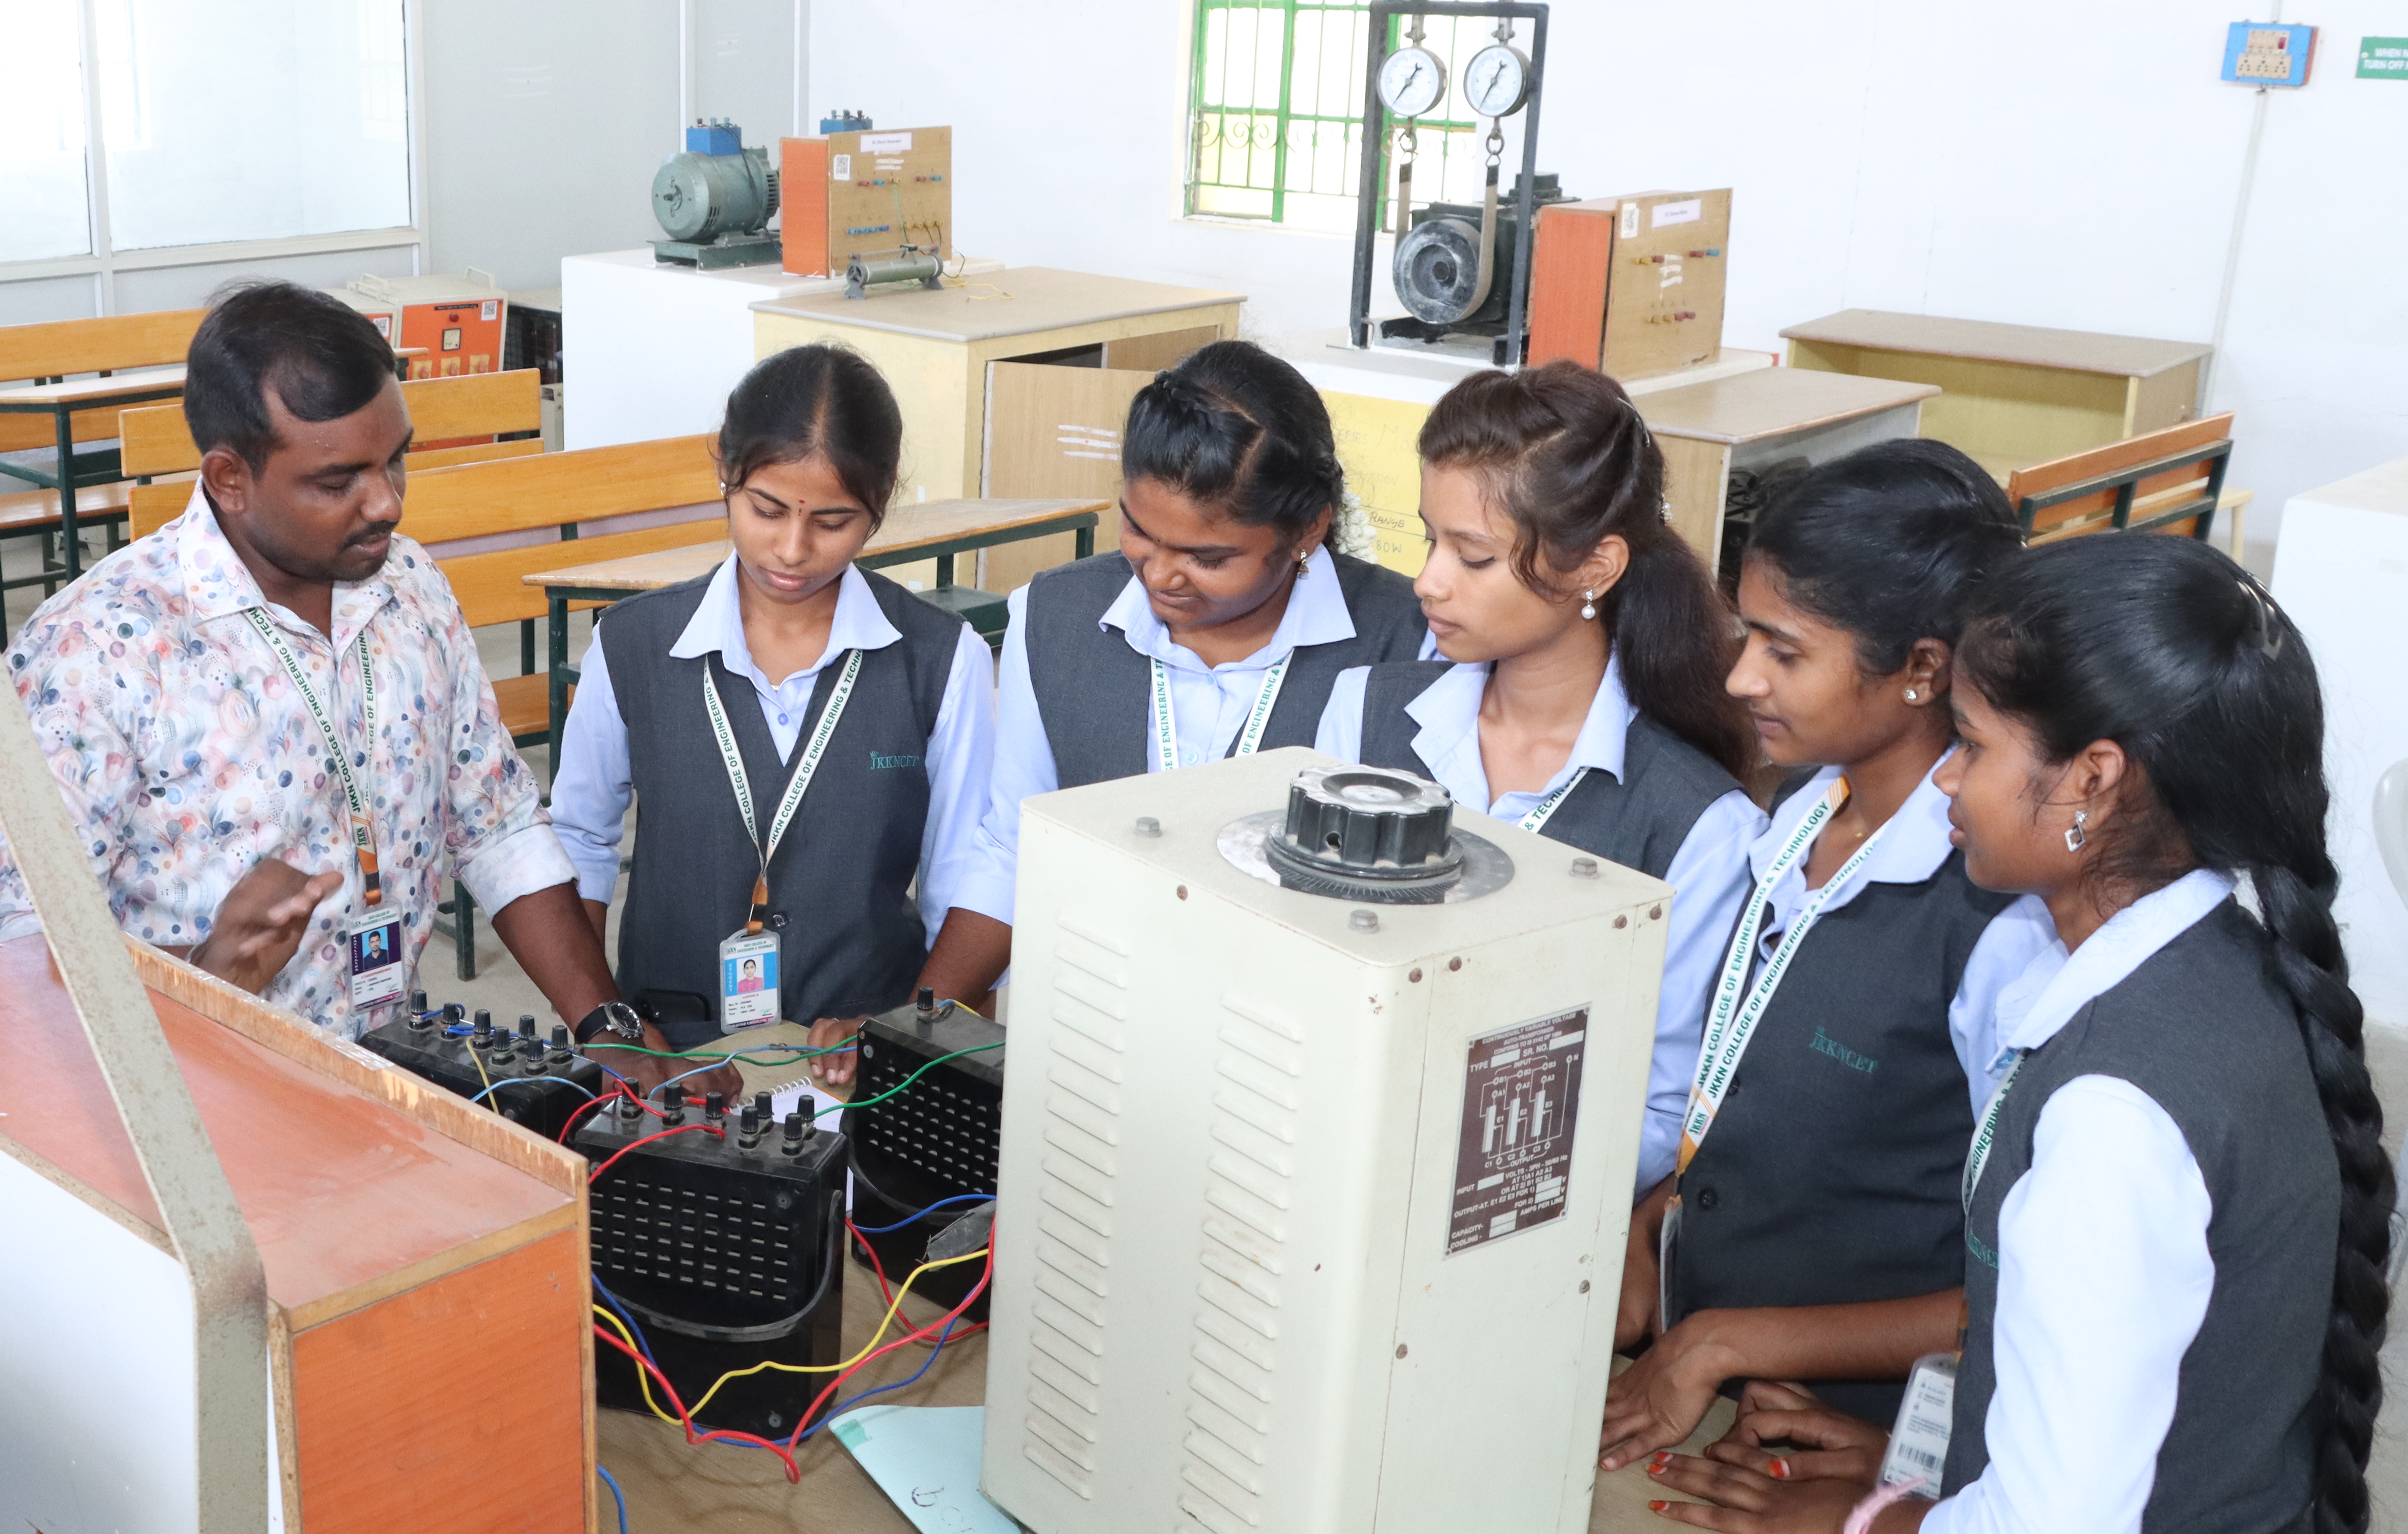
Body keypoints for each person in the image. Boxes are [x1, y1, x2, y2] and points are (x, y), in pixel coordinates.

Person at [1638, 534, 2408, 1534]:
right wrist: (1938, 1465)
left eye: (1980, 747)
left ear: (2097, 780)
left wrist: (1875, 1526)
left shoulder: (2114, 1111)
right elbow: (2181, 1417)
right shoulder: (2229, 988)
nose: (1945, 778)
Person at [0, 280, 643, 1057]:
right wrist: (210, 980)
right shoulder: (96, 652)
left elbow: (497, 825)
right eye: (338, 481)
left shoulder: (409, 586)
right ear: (230, 480)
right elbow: (17, 961)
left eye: (396, 462)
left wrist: (607, 1025)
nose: (386, 503)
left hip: (386, 1060)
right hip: (194, 1095)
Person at [1597, 443, 2048, 1464]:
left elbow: (2029, 1282)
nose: (1741, 674)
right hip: (1706, 1368)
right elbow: (1749, 1098)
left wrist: (1728, 1341)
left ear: (1924, 670)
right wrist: (1648, 1226)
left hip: (1861, 1432)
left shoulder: (1996, 922)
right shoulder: (1803, 809)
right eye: (1746, 631)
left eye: (1784, 650)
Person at [919, 340, 1427, 1004]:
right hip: (1093, 1007)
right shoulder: (1055, 616)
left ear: (1306, 529)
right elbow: (1015, 845)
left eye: (1207, 557)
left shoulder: (1408, 644)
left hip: (1289, 1026)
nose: (1159, 575)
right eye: (1138, 530)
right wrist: (916, 1027)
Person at [549, 346, 994, 1089]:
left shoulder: (943, 660)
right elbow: (580, 839)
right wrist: (610, 1028)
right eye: (766, 509)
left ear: (882, 499)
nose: (793, 549)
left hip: (860, 1058)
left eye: (833, 520)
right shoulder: (631, 644)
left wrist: (914, 1023)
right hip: (671, 1047)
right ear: (723, 467)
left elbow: (967, 880)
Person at [1360, 363, 1761, 1186]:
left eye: (1473, 557)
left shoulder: (1699, 823)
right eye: (1429, 539)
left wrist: (1470, 1177)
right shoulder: (1364, 715)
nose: (1428, 581)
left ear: (1596, 568)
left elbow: (1660, 1111)